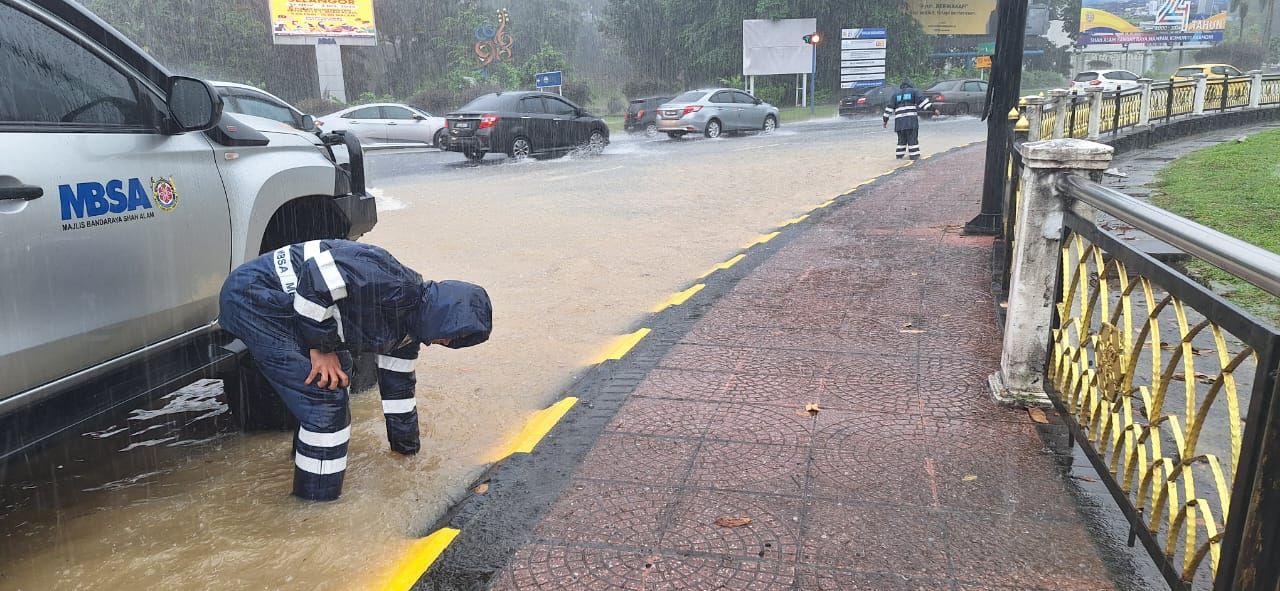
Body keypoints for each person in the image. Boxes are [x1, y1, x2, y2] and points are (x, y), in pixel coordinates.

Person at [218, 239, 492, 501]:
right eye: (451, 334)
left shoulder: (406, 335)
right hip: (255, 295)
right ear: (443, 313)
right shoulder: (393, 282)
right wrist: (322, 348)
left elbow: (399, 396)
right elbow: (316, 275)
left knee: (337, 376)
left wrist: (407, 456)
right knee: (325, 401)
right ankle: (313, 507)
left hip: (289, 307)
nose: (443, 342)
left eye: (453, 342)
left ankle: (306, 460)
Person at [882, 80, 936, 160]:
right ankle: (915, 159)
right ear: (910, 85)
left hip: (899, 124)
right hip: (911, 122)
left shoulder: (895, 95)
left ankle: (899, 160)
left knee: (901, 142)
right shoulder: (914, 92)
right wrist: (934, 110)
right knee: (912, 141)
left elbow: (888, 108)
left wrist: (885, 120)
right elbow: (923, 102)